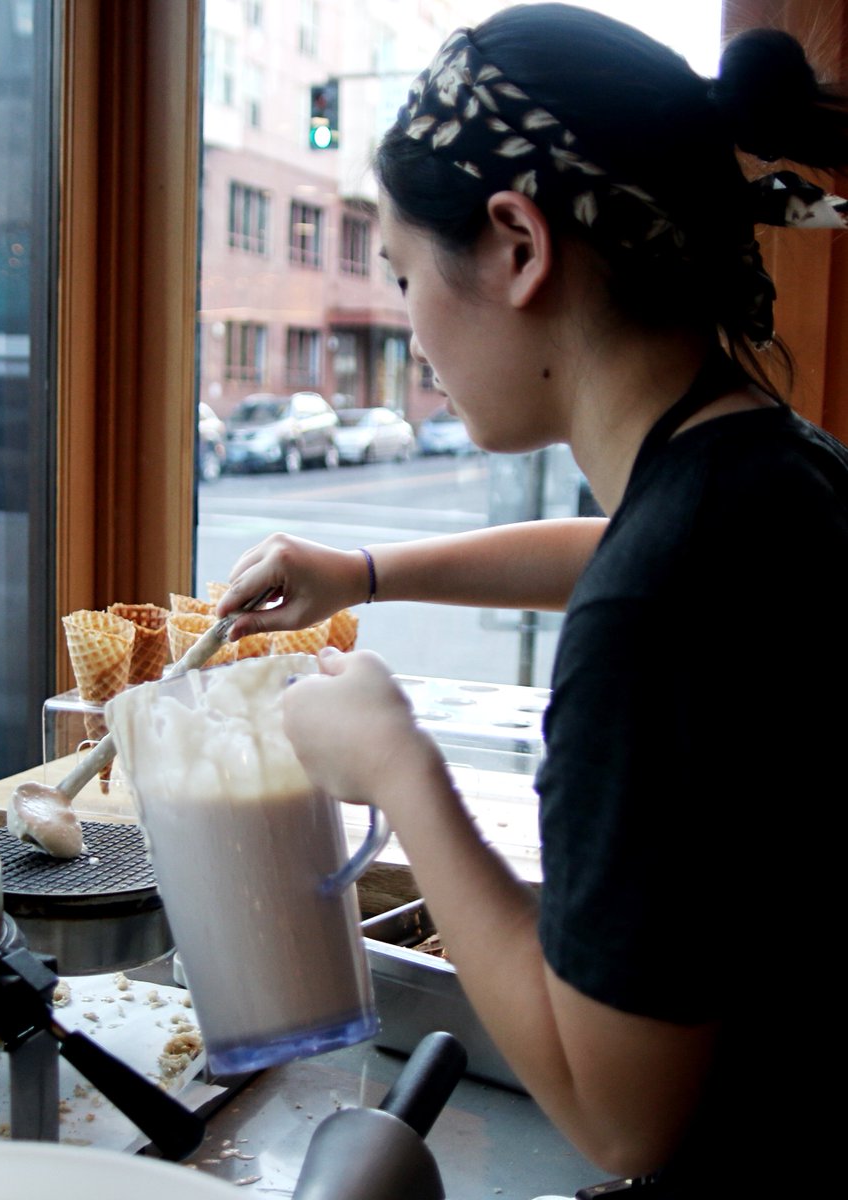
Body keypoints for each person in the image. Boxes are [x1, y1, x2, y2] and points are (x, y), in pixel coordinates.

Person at [215, 6, 848, 1195]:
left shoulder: (649, 621)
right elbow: (617, 551)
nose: (410, 338)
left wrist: (397, 768)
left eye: (403, 275)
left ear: (516, 242)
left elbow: (625, 1124)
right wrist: (365, 574)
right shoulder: (766, 468)